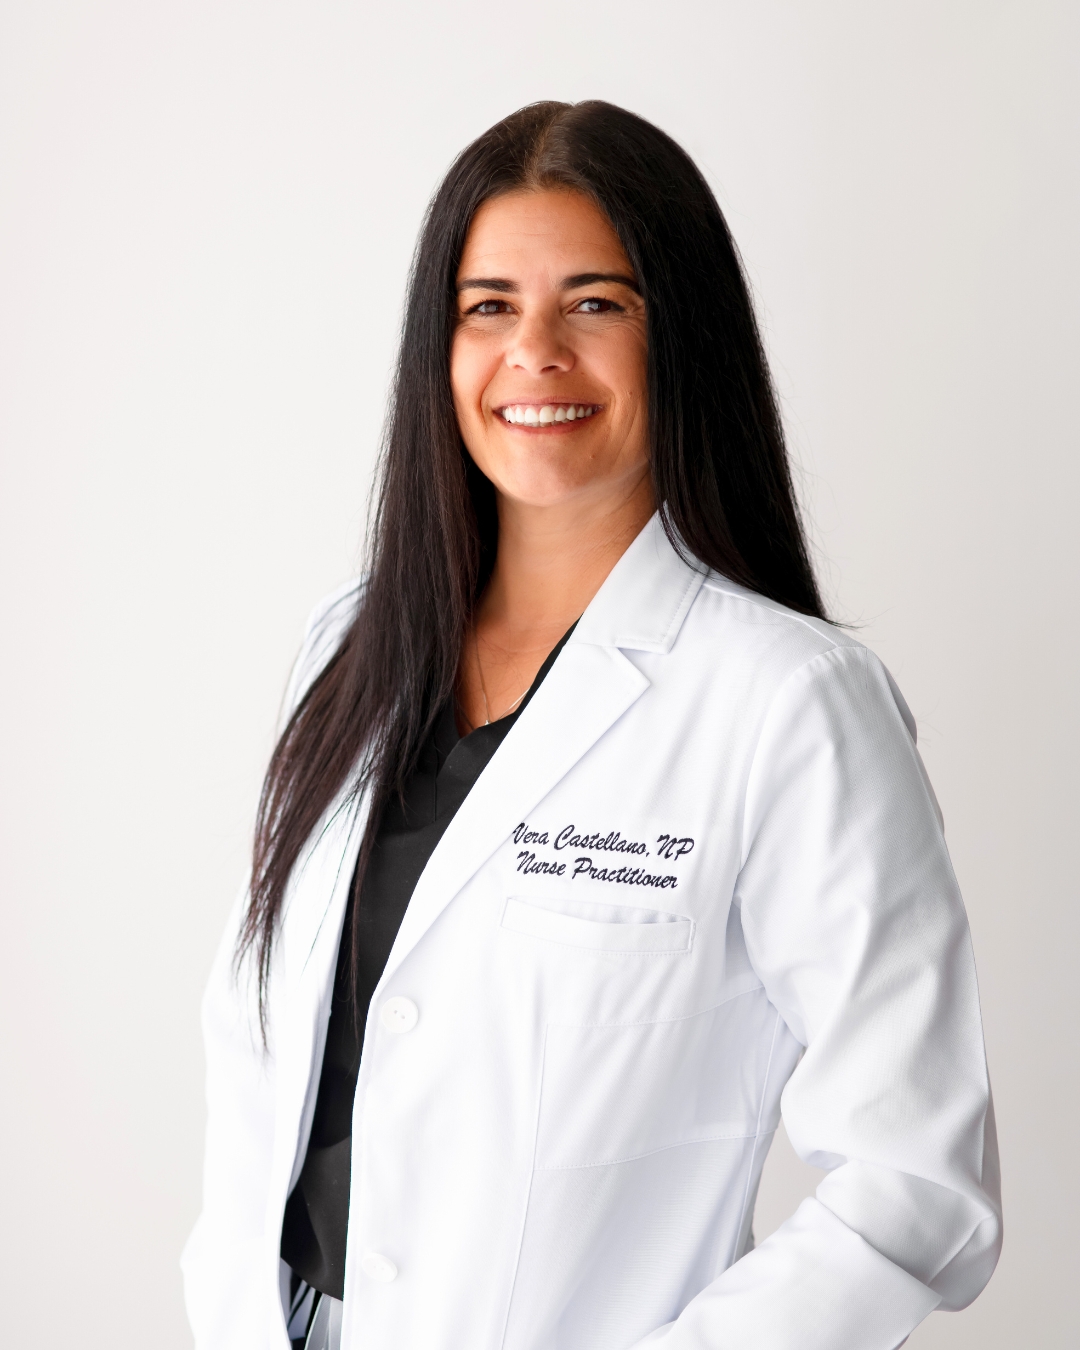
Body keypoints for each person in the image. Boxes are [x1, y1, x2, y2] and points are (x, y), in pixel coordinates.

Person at [181, 100, 1001, 1350]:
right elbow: (260, 1064)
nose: (536, 354)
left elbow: (917, 1183)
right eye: (489, 306)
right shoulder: (346, 652)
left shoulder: (787, 703)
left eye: (597, 303)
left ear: (682, 338)